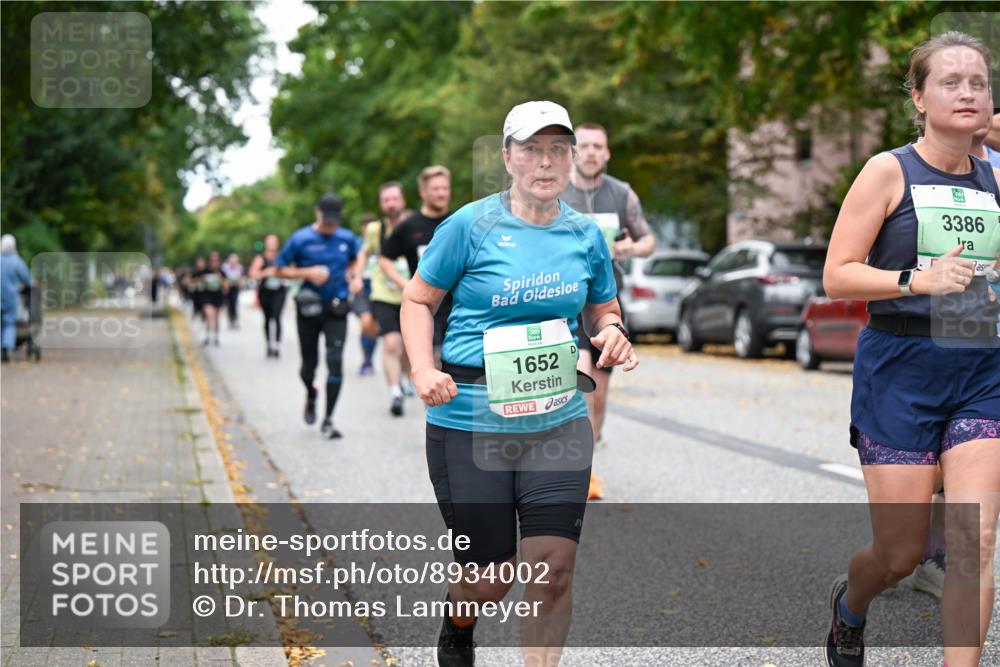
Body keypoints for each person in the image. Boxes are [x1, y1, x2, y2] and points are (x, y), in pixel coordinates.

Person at [400, 100, 638, 667]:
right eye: (531, 149)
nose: (545, 161)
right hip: (470, 418)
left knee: (553, 569)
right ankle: (459, 622)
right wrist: (423, 369)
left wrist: (613, 331)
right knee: (491, 577)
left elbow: (603, 308)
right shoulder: (469, 226)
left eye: (558, 149)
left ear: (572, 159)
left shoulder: (585, 235)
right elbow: (417, 301)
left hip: (558, 417)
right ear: (507, 158)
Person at [822, 32, 999, 667]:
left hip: (982, 368)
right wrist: (914, 281)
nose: (967, 92)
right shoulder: (888, 171)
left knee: (975, 539)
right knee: (899, 555)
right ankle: (851, 608)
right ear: (919, 98)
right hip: (901, 370)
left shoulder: (996, 178)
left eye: (978, 82)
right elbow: (837, 275)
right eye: (950, 82)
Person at [910, 99, 1000, 600]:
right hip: (925, 342)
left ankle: (939, 552)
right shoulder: (924, 171)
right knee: (940, 461)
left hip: (986, 342)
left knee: (971, 459)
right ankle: (915, 549)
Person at [560, 122, 655, 500]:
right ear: (573, 151)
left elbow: (648, 239)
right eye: (584, 145)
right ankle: (577, 470)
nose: (591, 152)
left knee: (598, 392)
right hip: (565, 300)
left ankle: (590, 450)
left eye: (598, 146)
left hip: (605, 302)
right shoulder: (557, 190)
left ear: (607, 153)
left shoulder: (621, 193)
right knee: (580, 379)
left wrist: (630, 249)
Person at [276, 193, 363, 439]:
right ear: (317, 213)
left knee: (335, 360)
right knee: (309, 366)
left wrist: (355, 277)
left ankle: (328, 420)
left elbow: (356, 260)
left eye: (335, 221)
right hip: (309, 308)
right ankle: (311, 393)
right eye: (327, 221)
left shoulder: (346, 237)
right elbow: (279, 269)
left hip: (337, 307)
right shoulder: (300, 238)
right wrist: (306, 273)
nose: (330, 226)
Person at [381, 165, 453, 364]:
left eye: (445, 188)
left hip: (457, 305)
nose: (441, 193)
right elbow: (384, 259)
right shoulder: (409, 226)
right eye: (436, 189)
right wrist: (405, 284)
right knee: (435, 361)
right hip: (427, 305)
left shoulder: (459, 222)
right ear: (423, 192)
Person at [366, 181, 413, 416]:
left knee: (407, 346)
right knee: (391, 343)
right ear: (381, 204)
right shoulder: (375, 230)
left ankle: (405, 377)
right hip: (383, 293)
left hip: (412, 295)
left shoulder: (415, 225)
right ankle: (395, 392)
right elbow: (364, 253)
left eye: (395, 199)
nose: (391, 204)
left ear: (403, 200)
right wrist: (356, 277)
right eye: (386, 200)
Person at [248, 234, 288, 358]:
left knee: (277, 316)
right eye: (270, 242)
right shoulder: (260, 259)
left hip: (279, 291)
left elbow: (290, 271)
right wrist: (266, 272)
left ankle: (277, 345)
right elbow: (253, 273)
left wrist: (279, 273)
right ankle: (269, 344)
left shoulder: (282, 257)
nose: (272, 245)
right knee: (267, 318)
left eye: (274, 242)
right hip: (265, 291)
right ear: (266, 244)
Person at [1, 234, 31, 363]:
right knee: (9, 322)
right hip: (10, 297)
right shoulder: (17, 261)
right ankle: (6, 347)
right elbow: (27, 279)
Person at [357, 213, 380, 376]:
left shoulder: (381, 242)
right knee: (366, 322)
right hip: (362, 288)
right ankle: (366, 359)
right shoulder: (356, 244)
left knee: (373, 327)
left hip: (379, 288)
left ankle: (369, 359)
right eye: (366, 227)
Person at [194, 251, 226, 346]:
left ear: (219, 261)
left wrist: (220, 279)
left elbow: (226, 287)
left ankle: (216, 336)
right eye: (212, 260)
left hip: (218, 297)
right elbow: (194, 281)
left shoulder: (222, 272)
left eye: (216, 260)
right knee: (208, 314)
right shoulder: (205, 271)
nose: (214, 262)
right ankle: (208, 335)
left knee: (216, 317)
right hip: (207, 296)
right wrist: (202, 280)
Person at [222, 253, 244, 329]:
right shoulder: (225, 267)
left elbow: (241, 278)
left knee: (234, 304)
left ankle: (235, 319)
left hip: (235, 288)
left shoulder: (239, 267)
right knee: (229, 305)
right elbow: (222, 278)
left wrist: (240, 284)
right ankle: (230, 320)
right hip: (227, 289)